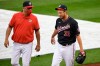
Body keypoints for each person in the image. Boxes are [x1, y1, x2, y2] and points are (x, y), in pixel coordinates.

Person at [4, 1, 40, 66]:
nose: (30, 10)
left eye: (31, 8)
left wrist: (38, 44)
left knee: (26, 64)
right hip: (16, 44)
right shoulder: (15, 16)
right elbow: (9, 27)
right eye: (28, 8)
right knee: (13, 63)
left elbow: (37, 31)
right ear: (24, 8)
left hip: (27, 45)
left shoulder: (34, 18)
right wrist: (6, 39)